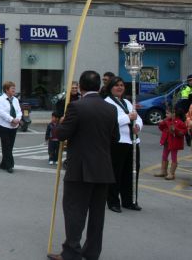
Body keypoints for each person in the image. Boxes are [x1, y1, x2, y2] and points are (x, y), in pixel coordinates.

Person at [47, 71, 120, 260]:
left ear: (80, 86)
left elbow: (62, 134)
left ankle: (71, 251)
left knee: (75, 210)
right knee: (97, 214)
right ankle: (92, 251)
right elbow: (115, 138)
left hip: (80, 168)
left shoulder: (76, 107)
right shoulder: (110, 109)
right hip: (103, 168)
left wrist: (61, 123)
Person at [103, 76, 143, 212]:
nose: (120, 87)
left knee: (131, 173)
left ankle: (129, 200)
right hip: (118, 143)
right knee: (116, 173)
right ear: (110, 88)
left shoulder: (127, 101)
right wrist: (128, 118)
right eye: (116, 85)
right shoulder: (107, 102)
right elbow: (109, 121)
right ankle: (113, 201)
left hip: (132, 142)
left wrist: (137, 125)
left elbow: (138, 118)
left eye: (121, 85)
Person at [0, 81, 22, 174]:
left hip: (14, 126)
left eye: (14, 88)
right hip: (3, 125)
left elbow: (19, 111)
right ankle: (10, 165)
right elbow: (1, 112)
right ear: (6, 90)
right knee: (6, 145)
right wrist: (11, 120)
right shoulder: (0, 100)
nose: (14, 90)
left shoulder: (15, 100)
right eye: (12, 89)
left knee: (10, 145)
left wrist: (17, 119)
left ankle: (3, 163)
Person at [155, 107, 187, 180]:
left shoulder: (180, 122)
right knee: (164, 156)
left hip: (174, 142)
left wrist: (175, 129)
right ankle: (163, 171)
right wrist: (161, 123)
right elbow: (162, 128)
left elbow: (182, 133)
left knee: (174, 157)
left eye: (167, 113)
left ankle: (172, 173)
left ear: (174, 114)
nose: (166, 115)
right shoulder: (166, 120)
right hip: (166, 141)